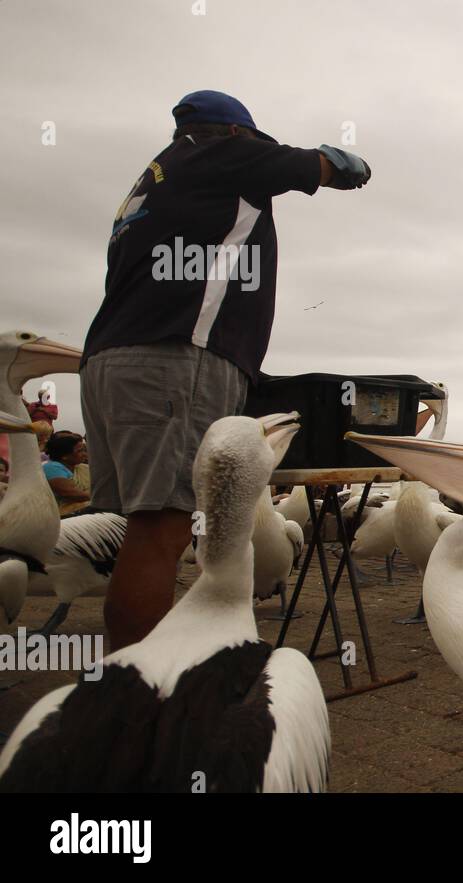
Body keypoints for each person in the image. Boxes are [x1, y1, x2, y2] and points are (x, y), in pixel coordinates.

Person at [80, 90, 371, 650]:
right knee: (160, 530)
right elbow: (332, 166)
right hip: (176, 361)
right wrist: (350, 164)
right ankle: (140, 701)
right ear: (237, 133)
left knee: (137, 530)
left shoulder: (149, 183)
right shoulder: (221, 155)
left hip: (109, 363)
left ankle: (123, 678)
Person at [43, 432, 91, 515]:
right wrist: (102, 497)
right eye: (80, 451)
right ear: (64, 456)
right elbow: (71, 494)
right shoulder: (51, 467)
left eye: (84, 450)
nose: (85, 454)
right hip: (60, 514)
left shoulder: (81, 467)